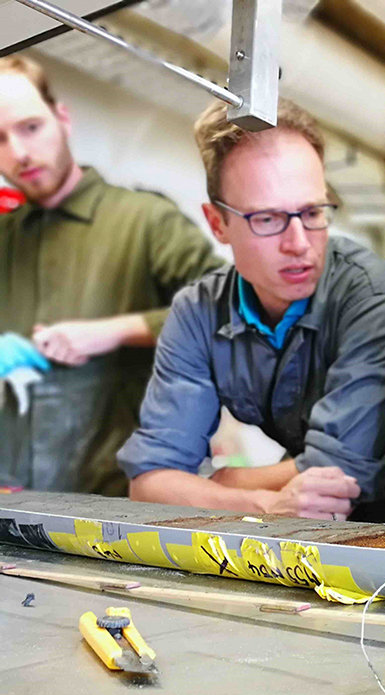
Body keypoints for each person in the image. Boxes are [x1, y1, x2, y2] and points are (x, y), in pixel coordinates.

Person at [117, 99, 385, 521]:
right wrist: (262, 502)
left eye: (312, 212)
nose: (298, 243)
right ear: (218, 224)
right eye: (267, 219)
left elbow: (340, 475)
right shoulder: (198, 313)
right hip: (300, 519)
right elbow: (150, 481)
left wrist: (226, 481)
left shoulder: (368, 294)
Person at [0, 55, 222, 496]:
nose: (19, 153)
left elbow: (228, 310)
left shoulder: (146, 221)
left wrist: (115, 331)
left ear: (62, 118)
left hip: (122, 502)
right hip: (15, 502)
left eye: (31, 127)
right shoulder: (4, 240)